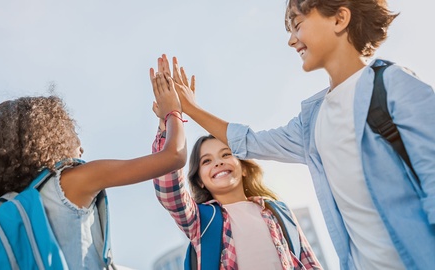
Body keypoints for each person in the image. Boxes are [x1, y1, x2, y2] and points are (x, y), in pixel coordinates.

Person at [156, 0, 435, 269]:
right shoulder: (311, 123)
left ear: (339, 19)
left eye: (298, 25)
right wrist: (189, 109)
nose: (292, 40)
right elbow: (249, 141)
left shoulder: (394, 87)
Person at [0, 71, 186, 269]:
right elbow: (174, 156)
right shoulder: (71, 181)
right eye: (73, 134)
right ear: (52, 137)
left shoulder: (16, 211)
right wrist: (173, 111)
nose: (81, 147)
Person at [151, 57, 322, 269]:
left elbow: (308, 262)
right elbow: (170, 191)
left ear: (243, 167)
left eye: (225, 154)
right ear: (200, 180)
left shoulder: (278, 212)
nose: (218, 163)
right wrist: (170, 119)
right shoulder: (201, 220)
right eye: (207, 161)